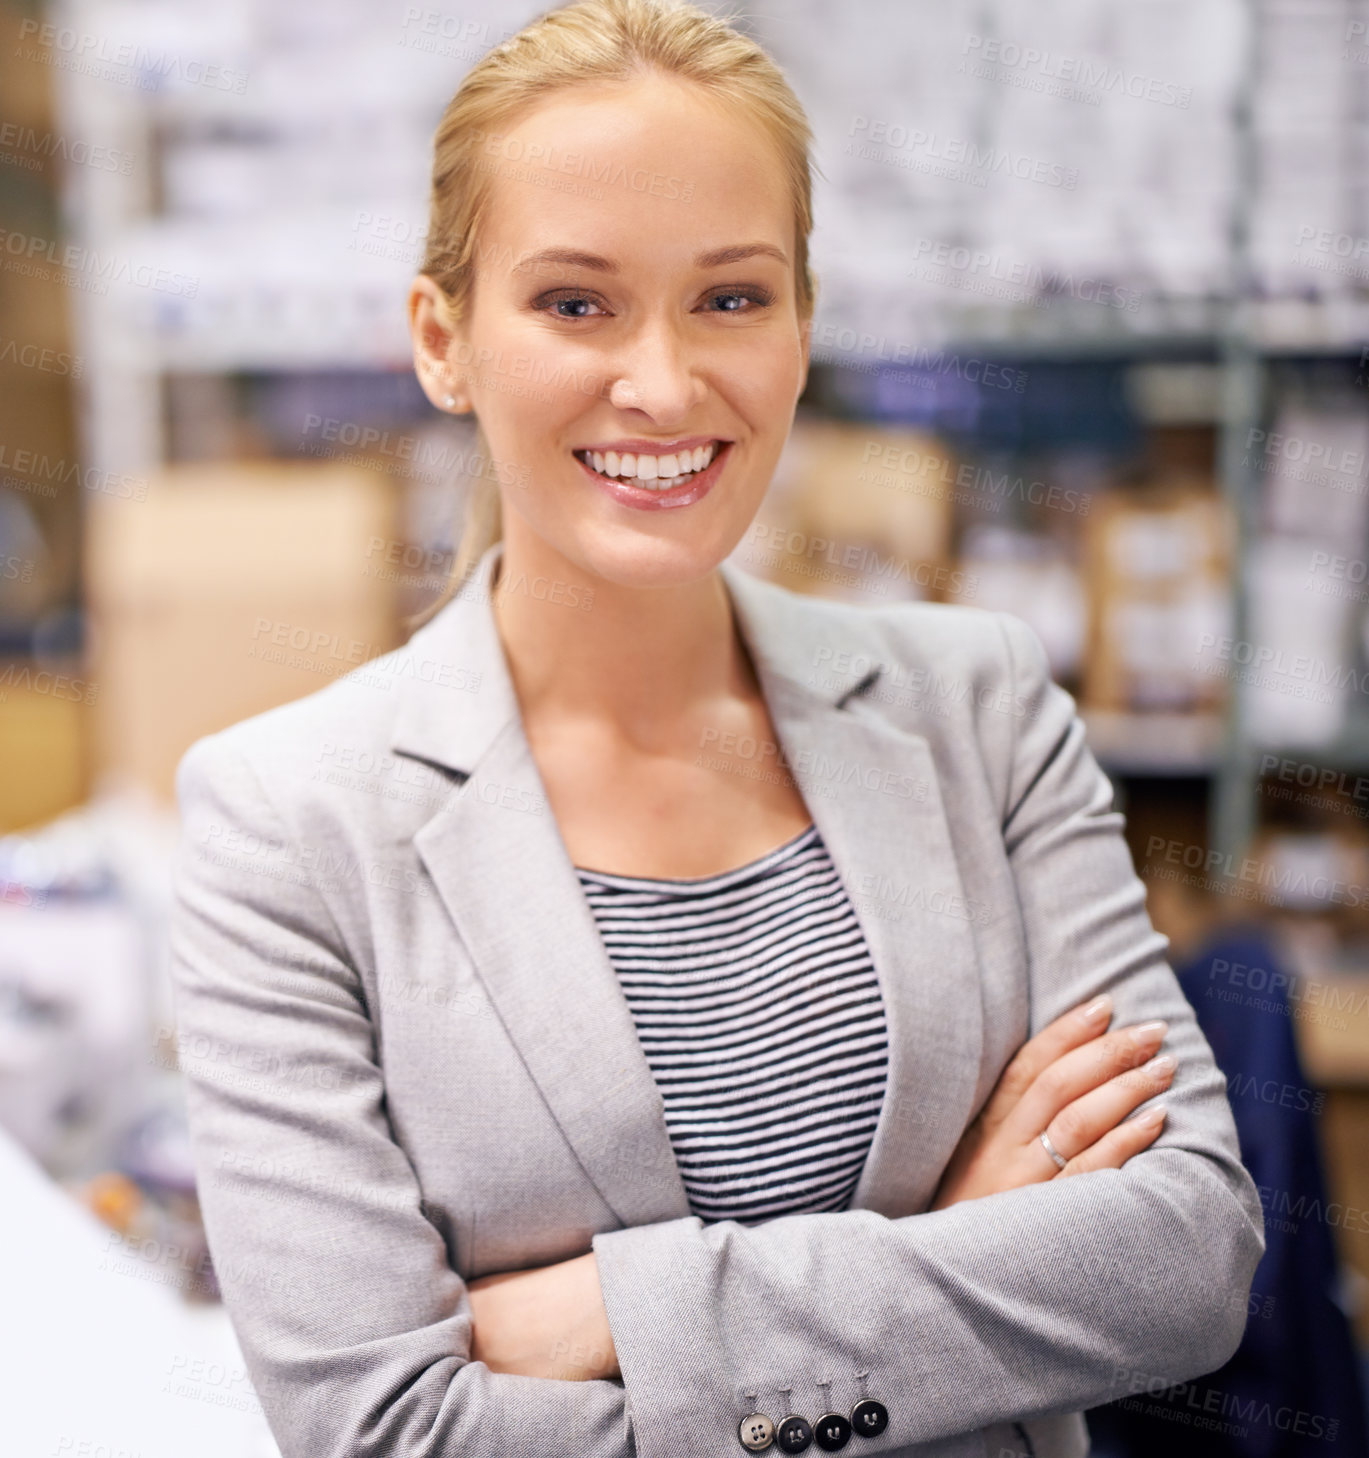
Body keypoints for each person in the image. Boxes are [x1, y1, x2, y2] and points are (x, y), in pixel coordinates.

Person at [167, 2, 1265, 1456]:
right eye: (575, 303)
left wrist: (616, 1310)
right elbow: (388, 1429)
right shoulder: (286, 822)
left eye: (731, 299)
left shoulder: (977, 711)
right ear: (443, 341)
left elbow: (1182, 1259)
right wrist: (962, 1246)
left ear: (802, 324)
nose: (665, 384)